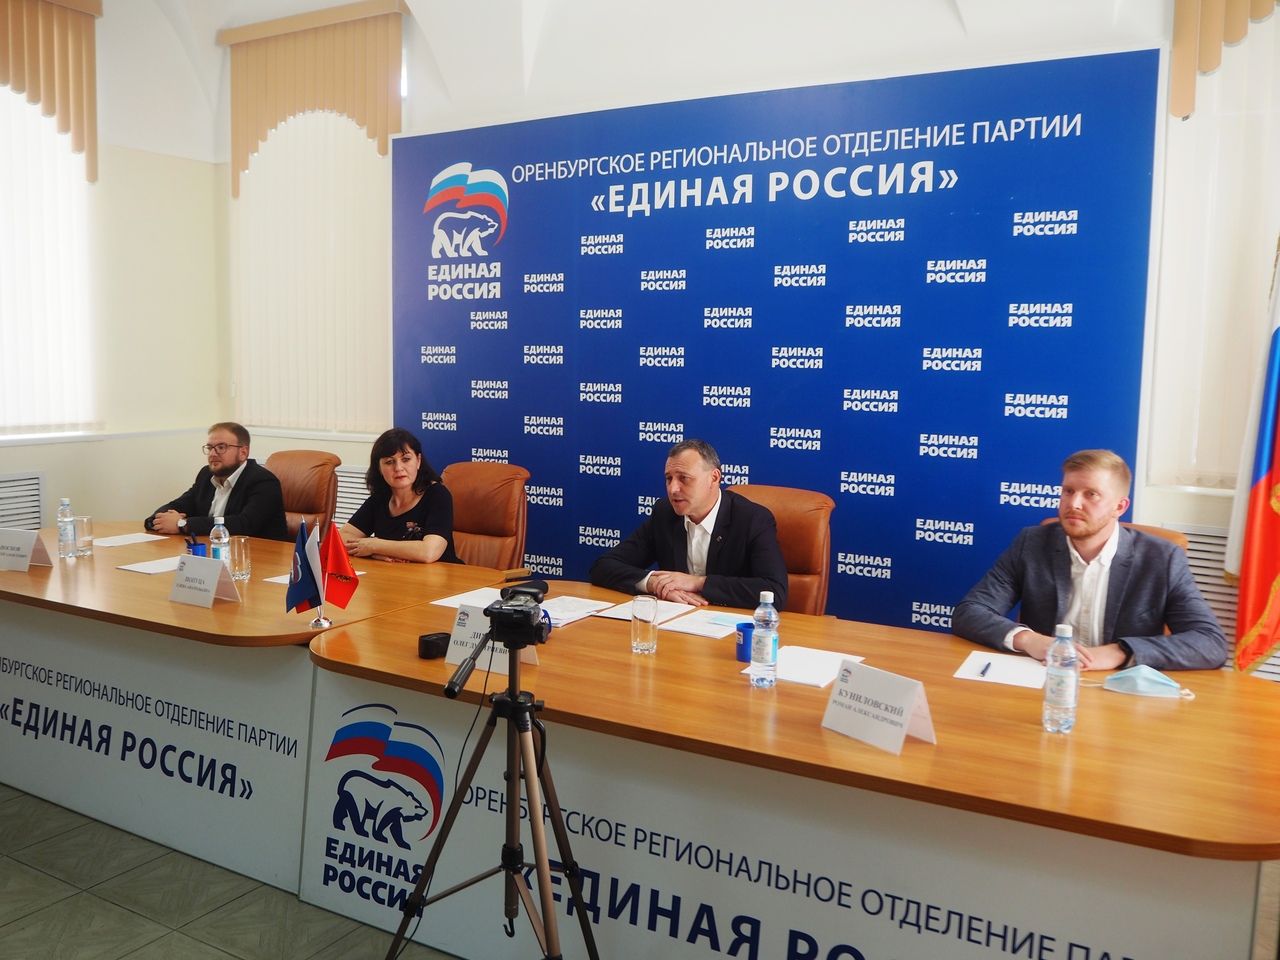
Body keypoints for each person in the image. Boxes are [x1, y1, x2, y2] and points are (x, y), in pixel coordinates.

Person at [952, 449, 1227, 671]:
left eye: (1091, 494)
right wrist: (1029, 640)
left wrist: (1121, 652)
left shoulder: (1162, 559)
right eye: (1068, 491)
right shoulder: (1032, 544)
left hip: (1118, 692)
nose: (1074, 504)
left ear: (1119, 506)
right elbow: (970, 612)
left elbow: (1210, 642)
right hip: (1045, 682)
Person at [589, 439, 789, 609]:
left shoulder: (752, 519)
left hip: (731, 628)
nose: (673, 489)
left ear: (714, 478)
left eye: (684, 478)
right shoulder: (664, 514)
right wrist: (654, 582)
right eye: (669, 479)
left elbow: (775, 591)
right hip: (677, 625)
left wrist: (698, 582)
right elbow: (602, 567)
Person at [145, 422, 288, 541]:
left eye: (221, 447)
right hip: (214, 551)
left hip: (257, 555)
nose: (213, 454)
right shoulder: (206, 475)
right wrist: (157, 520)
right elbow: (179, 505)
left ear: (243, 453)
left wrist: (182, 524)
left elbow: (244, 524)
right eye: (210, 448)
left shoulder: (263, 481)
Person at [341, 428, 461, 564]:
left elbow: (429, 552)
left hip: (441, 575)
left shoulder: (437, 495)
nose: (398, 468)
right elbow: (340, 538)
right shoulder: (379, 499)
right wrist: (375, 552)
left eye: (406, 459)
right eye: (389, 462)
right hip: (396, 574)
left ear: (418, 461)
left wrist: (374, 546)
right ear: (379, 468)